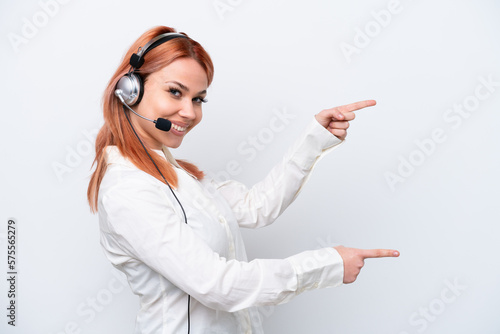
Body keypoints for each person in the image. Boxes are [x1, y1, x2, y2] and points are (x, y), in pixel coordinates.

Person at [87, 25, 399, 334]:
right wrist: (326, 265)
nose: (189, 112)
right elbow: (218, 285)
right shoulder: (128, 190)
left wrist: (315, 139)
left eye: (198, 99)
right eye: (175, 92)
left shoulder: (179, 175)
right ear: (130, 90)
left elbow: (257, 206)